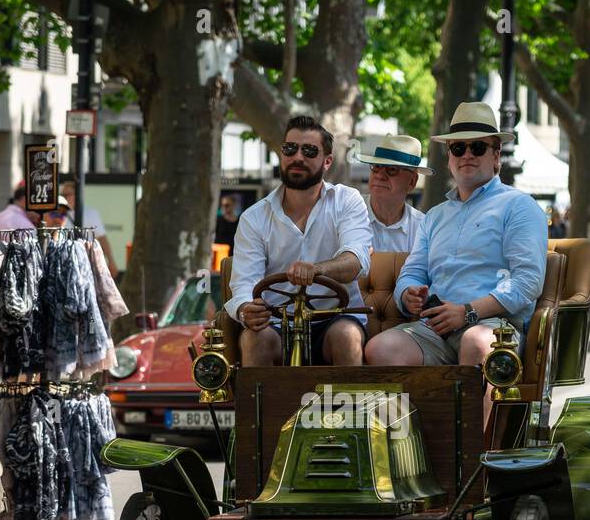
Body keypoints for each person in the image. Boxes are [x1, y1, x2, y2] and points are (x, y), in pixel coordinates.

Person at [364, 102, 547, 423]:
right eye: (458, 147)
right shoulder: (435, 217)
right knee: (381, 349)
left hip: (494, 327)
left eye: (477, 146)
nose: (467, 155)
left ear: (496, 154)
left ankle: (478, 459)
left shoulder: (518, 206)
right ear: (449, 157)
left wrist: (468, 312)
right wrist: (408, 295)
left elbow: (527, 282)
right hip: (434, 328)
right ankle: (413, 454)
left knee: (476, 341)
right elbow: (412, 273)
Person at [227, 114, 372, 367]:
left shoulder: (348, 201)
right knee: (254, 339)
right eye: (290, 148)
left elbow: (355, 261)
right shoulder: (254, 217)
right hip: (274, 322)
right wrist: (245, 310)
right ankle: (259, 407)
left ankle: (350, 408)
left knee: (347, 336)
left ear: (327, 161)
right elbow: (243, 285)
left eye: (309, 151)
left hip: (335, 318)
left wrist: (316, 269)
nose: (297, 157)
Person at [356, 133, 431, 252]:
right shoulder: (349, 214)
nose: (380, 175)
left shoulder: (423, 228)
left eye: (392, 169)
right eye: (376, 166)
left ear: (412, 181)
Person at [60, 179, 118, 277]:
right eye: (62, 195)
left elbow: (102, 238)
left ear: (76, 195)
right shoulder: (59, 214)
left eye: (67, 195)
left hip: (87, 264)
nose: (64, 198)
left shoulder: (90, 213)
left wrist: (111, 261)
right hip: (65, 263)